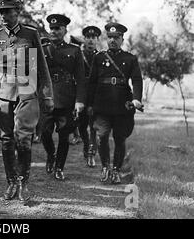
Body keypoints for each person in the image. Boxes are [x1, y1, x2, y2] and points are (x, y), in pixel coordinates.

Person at [0, 0, 54, 201]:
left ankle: (24, 183)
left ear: (17, 12)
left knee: (23, 139)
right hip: (3, 93)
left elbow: (42, 66)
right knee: (6, 140)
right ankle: (11, 182)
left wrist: (47, 94)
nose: (4, 15)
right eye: (1, 12)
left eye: (8, 11)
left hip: (26, 92)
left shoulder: (30, 34)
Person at [87, 22, 143, 184]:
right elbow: (92, 82)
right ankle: (105, 166)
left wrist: (137, 99)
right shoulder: (99, 57)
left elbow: (137, 80)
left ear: (122, 39)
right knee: (101, 136)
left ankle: (116, 170)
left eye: (116, 38)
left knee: (120, 138)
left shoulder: (130, 58)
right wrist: (89, 104)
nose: (112, 40)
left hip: (122, 105)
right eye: (110, 37)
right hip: (102, 104)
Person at [37, 14, 85, 180]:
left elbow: (80, 78)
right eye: (52, 28)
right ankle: (51, 154)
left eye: (57, 28)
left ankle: (59, 167)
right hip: (47, 97)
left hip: (66, 98)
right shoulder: (42, 49)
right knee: (44, 132)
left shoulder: (74, 50)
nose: (54, 31)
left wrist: (79, 101)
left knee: (64, 135)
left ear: (65, 30)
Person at [79, 26, 101, 168]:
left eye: (93, 38)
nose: (91, 40)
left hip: (96, 95)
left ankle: (91, 153)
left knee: (94, 126)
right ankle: (86, 145)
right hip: (81, 94)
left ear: (97, 40)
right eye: (88, 37)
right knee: (81, 126)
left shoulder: (101, 56)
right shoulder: (78, 55)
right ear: (84, 39)